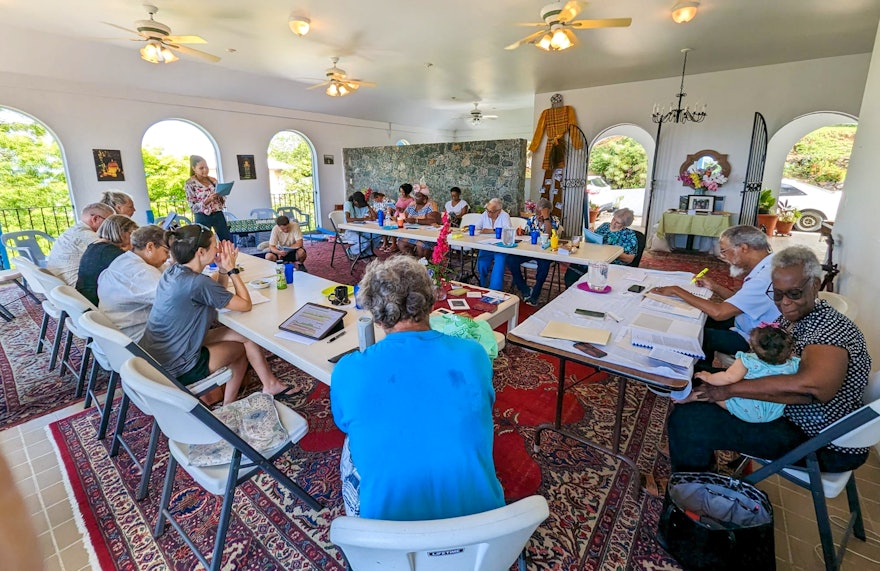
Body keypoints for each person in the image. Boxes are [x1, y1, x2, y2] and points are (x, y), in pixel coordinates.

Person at [667, 246, 872, 474]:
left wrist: (730, 390)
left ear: (815, 285)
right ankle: (703, 476)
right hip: (790, 413)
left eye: (794, 293)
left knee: (688, 421)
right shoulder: (798, 317)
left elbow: (813, 388)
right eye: (777, 294)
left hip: (822, 440)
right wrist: (720, 387)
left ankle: (693, 498)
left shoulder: (830, 329)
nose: (784, 302)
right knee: (699, 400)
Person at [330, 255, 504, 520]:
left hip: (387, 537)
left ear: (376, 317)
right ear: (431, 304)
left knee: (351, 438)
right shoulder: (473, 354)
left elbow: (344, 424)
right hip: (484, 530)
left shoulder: (347, 369)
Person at [141, 224, 290, 404]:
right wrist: (231, 270)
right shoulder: (197, 283)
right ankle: (229, 405)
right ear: (201, 252)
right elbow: (245, 305)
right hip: (177, 364)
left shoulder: (173, 271)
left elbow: (215, 293)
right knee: (240, 349)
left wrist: (221, 270)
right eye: (214, 245)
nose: (218, 248)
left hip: (159, 352)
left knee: (246, 336)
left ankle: (270, 384)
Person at [650, 225, 781, 370]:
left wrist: (676, 290)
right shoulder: (769, 264)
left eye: (724, 251)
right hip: (749, 321)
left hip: (756, 339)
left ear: (743, 248)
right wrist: (715, 287)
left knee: (693, 336)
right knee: (698, 319)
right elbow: (741, 301)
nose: (723, 256)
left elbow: (720, 313)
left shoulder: (764, 278)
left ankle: (700, 381)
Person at [692, 323, 800, 423]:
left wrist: (708, 377)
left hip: (745, 408)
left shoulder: (748, 361)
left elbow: (729, 377)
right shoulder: (794, 365)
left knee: (713, 389)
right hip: (773, 412)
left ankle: (689, 398)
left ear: (753, 347)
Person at [98, 225, 169, 341]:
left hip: (114, 340)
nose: (168, 257)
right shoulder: (141, 272)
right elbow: (174, 302)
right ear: (150, 247)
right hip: (135, 343)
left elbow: (166, 269)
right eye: (166, 251)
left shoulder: (125, 260)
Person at [564, 207, 639, 287]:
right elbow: (593, 242)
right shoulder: (604, 226)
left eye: (618, 223)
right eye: (613, 219)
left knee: (590, 275)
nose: (613, 223)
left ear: (624, 225)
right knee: (572, 273)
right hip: (592, 258)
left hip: (608, 266)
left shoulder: (629, 236)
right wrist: (590, 235)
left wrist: (613, 252)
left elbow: (629, 259)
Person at [505, 197, 559, 306]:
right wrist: (522, 232)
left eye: (542, 212)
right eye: (538, 212)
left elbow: (549, 235)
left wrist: (546, 218)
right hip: (530, 251)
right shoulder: (532, 219)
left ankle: (536, 292)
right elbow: (526, 235)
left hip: (545, 252)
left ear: (548, 211)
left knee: (544, 264)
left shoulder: (555, 220)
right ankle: (524, 289)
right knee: (510, 259)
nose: (539, 215)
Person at [46, 202, 115, 286]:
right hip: (74, 288)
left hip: (60, 287)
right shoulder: (86, 235)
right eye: (110, 222)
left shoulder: (74, 230)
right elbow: (115, 257)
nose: (112, 226)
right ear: (95, 219)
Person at [75, 214, 138, 306]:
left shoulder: (96, 246)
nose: (133, 238)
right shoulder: (110, 252)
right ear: (121, 232)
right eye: (131, 233)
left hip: (86, 299)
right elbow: (136, 269)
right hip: (97, 304)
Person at [184, 155, 232, 242]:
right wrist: (208, 200)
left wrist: (220, 196)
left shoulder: (213, 180)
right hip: (202, 216)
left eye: (206, 167)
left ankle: (229, 255)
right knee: (204, 243)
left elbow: (222, 202)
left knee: (226, 240)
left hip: (218, 214)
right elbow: (193, 207)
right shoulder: (190, 183)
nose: (205, 170)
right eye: (201, 168)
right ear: (194, 168)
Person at [475, 198, 512, 291]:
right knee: (482, 263)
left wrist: (491, 230)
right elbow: (477, 227)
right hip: (487, 245)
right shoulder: (485, 215)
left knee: (499, 262)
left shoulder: (504, 216)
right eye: (487, 210)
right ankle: (483, 286)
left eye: (491, 211)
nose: (488, 213)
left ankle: (495, 290)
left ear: (498, 211)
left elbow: (508, 231)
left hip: (500, 246)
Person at [397, 191, 440, 258]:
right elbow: (403, 216)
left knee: (421, 246)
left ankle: (423, 264)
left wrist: (416, 220)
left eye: (418, 196)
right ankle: (412, 262)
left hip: (426, 236)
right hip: (412, 234)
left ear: (425, 198)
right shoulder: (412, 205)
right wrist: (400, 215)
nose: (416, 198)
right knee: (401, 243)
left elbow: (433, 220)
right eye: (415, 196)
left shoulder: (430, 205)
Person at [342, 191, 381, 257]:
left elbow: (374, 217)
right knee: (364, 242)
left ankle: (365, 253)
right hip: (350, 231)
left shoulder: (362, 205)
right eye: (358, 203)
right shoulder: (348, 204)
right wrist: (364, 219)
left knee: (378, 236)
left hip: (361, 230)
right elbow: (348, 219)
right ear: (354, 201)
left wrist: (368, 206)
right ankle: (350, 251)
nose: (359, 205)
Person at [384, 183, 415, 253]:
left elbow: (410, 211)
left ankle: (397, 244)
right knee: (392, 228)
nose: (401, 193)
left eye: (403, 192)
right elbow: (396, 207)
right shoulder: (400, 198)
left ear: (407, 192)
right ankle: (393, 243)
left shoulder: (411, 200)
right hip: (396, 216)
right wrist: (393, 207)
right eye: (400, 191)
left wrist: (402, 210)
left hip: (403, 217)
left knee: (398, 229)